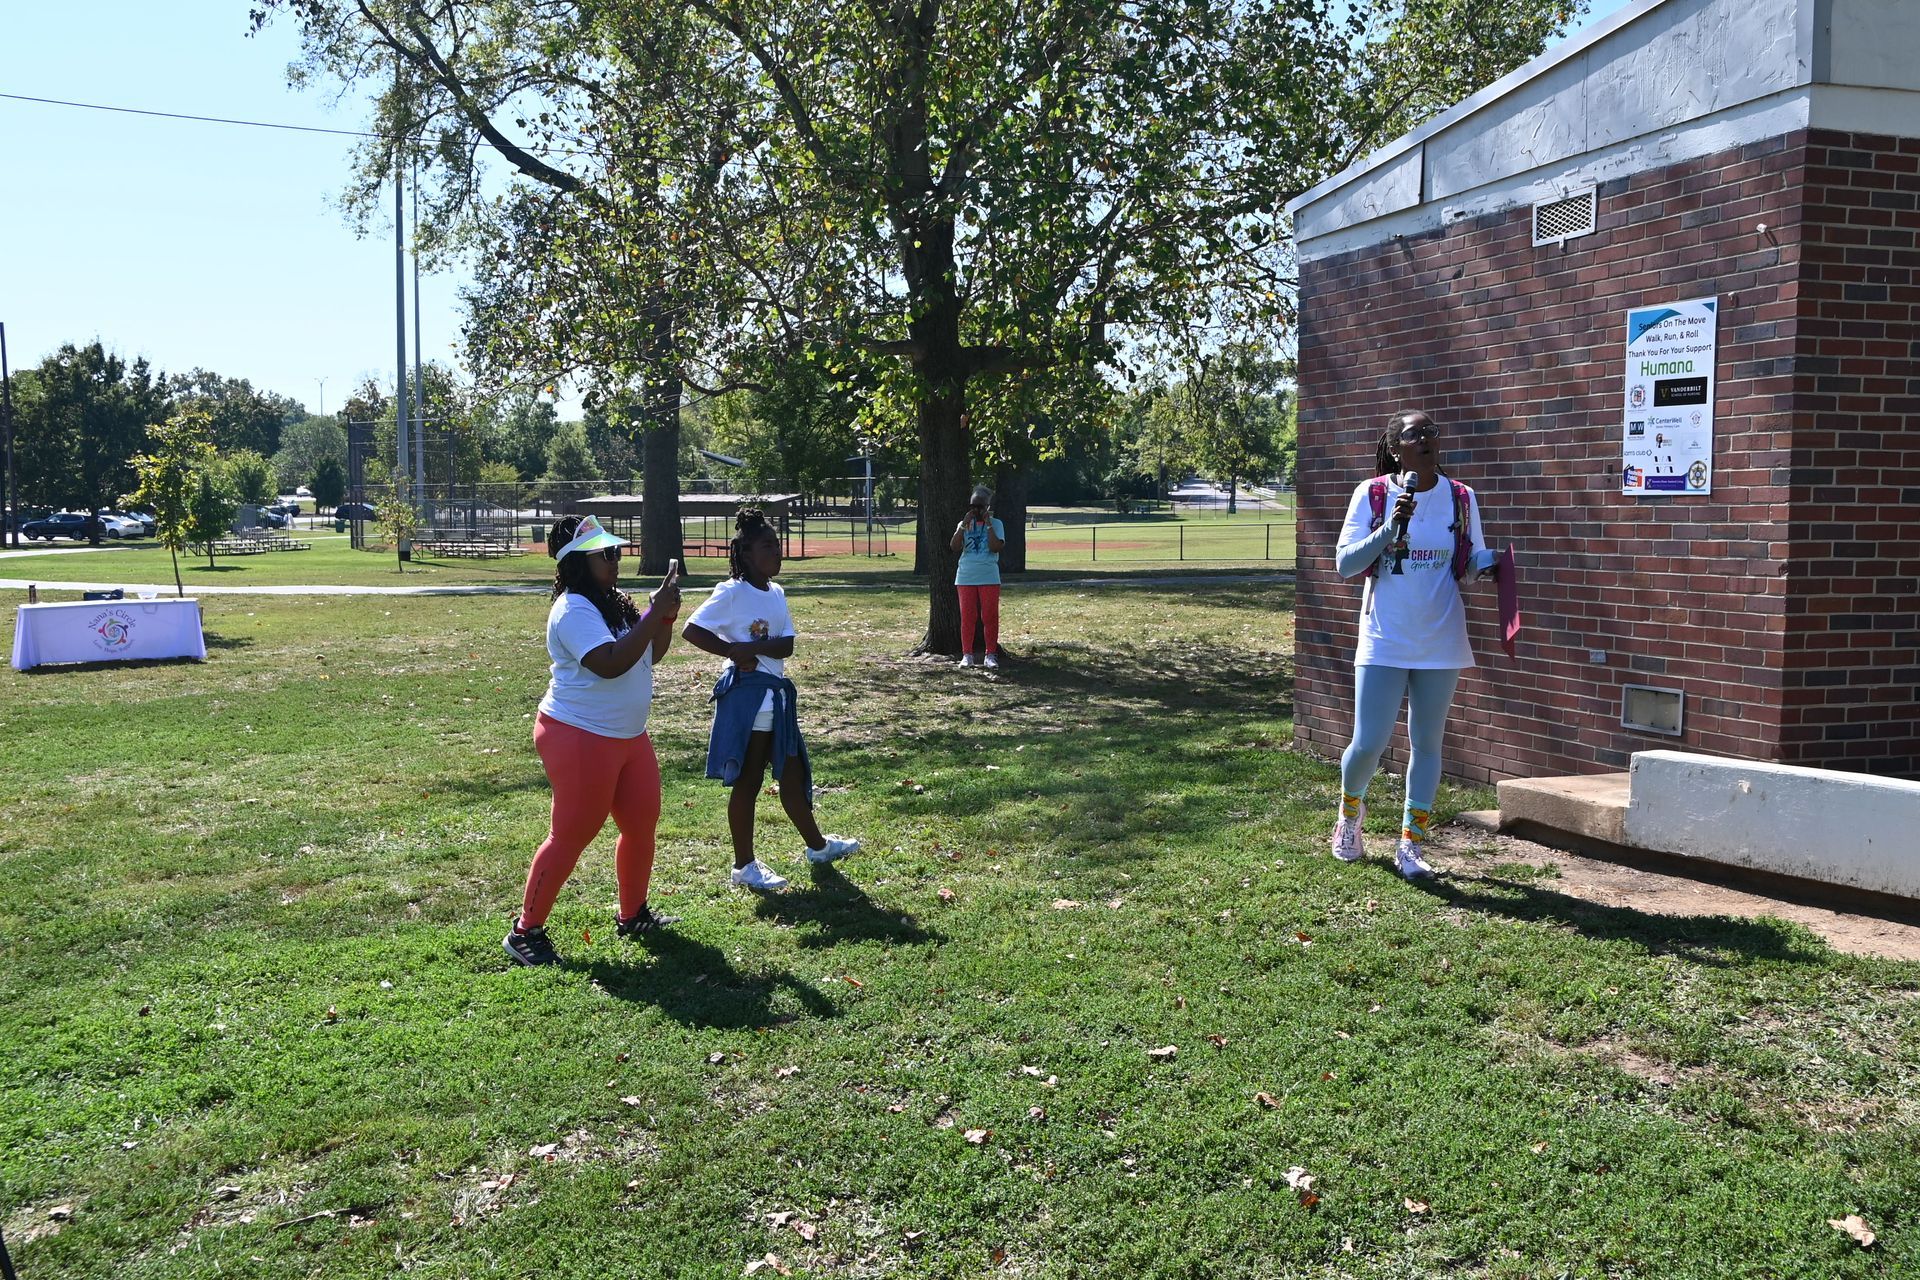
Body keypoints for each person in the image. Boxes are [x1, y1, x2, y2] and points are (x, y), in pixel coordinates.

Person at [503, 514, 682, 967]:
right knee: (571, 835)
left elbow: (651, 653)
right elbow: (610, 663)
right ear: (578, 561)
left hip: (628, 735)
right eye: (606, 554)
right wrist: (652, 614)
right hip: (580, 734)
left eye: (616, 551)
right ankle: (525, 932)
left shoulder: (613, 601)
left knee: (640, 824)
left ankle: (632, 914)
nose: (616, 559)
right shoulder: (572, 609)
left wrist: (664, 616)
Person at [1330, 410, 1495, 879]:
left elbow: (1466, 566)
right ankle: (1349, 815)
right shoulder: (1374, 493)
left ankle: (1411, 844)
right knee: (1369, 743)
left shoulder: (1461, 497)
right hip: (1384, 637)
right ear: (1394, 447)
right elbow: (1345, 564)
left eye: (1431, 432)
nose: (1425, 439)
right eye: (1413, 434)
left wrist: (1491, 566)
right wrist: (1389, 529)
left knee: (1427, 743)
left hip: (1441, 637)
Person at [681, 508, 859, 892]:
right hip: (750, 700)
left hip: (775, 699)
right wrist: (733, 652)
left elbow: (787, 645)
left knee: (792, 775)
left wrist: (754, 648)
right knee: (749, 782)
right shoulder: (732, 592)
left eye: (777, 544)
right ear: (745, 553)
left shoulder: (776, 592)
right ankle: (744, 866)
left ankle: (818, 847)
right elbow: (692, 630)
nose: (776, 552)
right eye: (767, 546)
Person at [948, 484, 1006, 668]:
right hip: (966, 576)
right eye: (972, 506)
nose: (975, 510)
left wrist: (988, 524)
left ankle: (990, 655)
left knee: (989, 616)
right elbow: (954, 546)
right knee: (967, 617)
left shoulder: (997, 524)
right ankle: (967, 655)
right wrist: (962, 527)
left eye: (980, 506)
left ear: (987, 507)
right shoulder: (963, 524)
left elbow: (995, 547)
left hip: (989, 576)